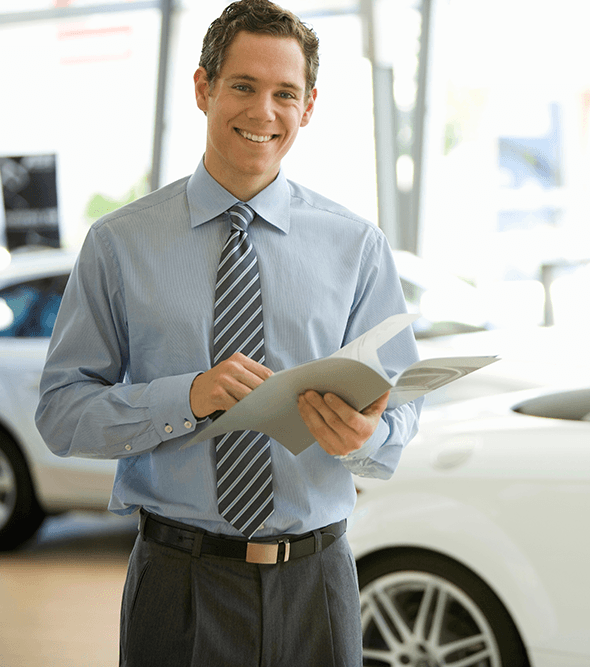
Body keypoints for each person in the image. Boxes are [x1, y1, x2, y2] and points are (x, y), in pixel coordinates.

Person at [34, 1, 421, 664]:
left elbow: (403, 403)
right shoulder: (117, 245)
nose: (263, 112)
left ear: (309, 105)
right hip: (178, 581)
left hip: (317, 581)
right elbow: (61, 412)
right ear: (202, 87)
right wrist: (184, 397)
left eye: (285, 93)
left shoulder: (357, 245)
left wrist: (370, 436)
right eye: (243, 86)